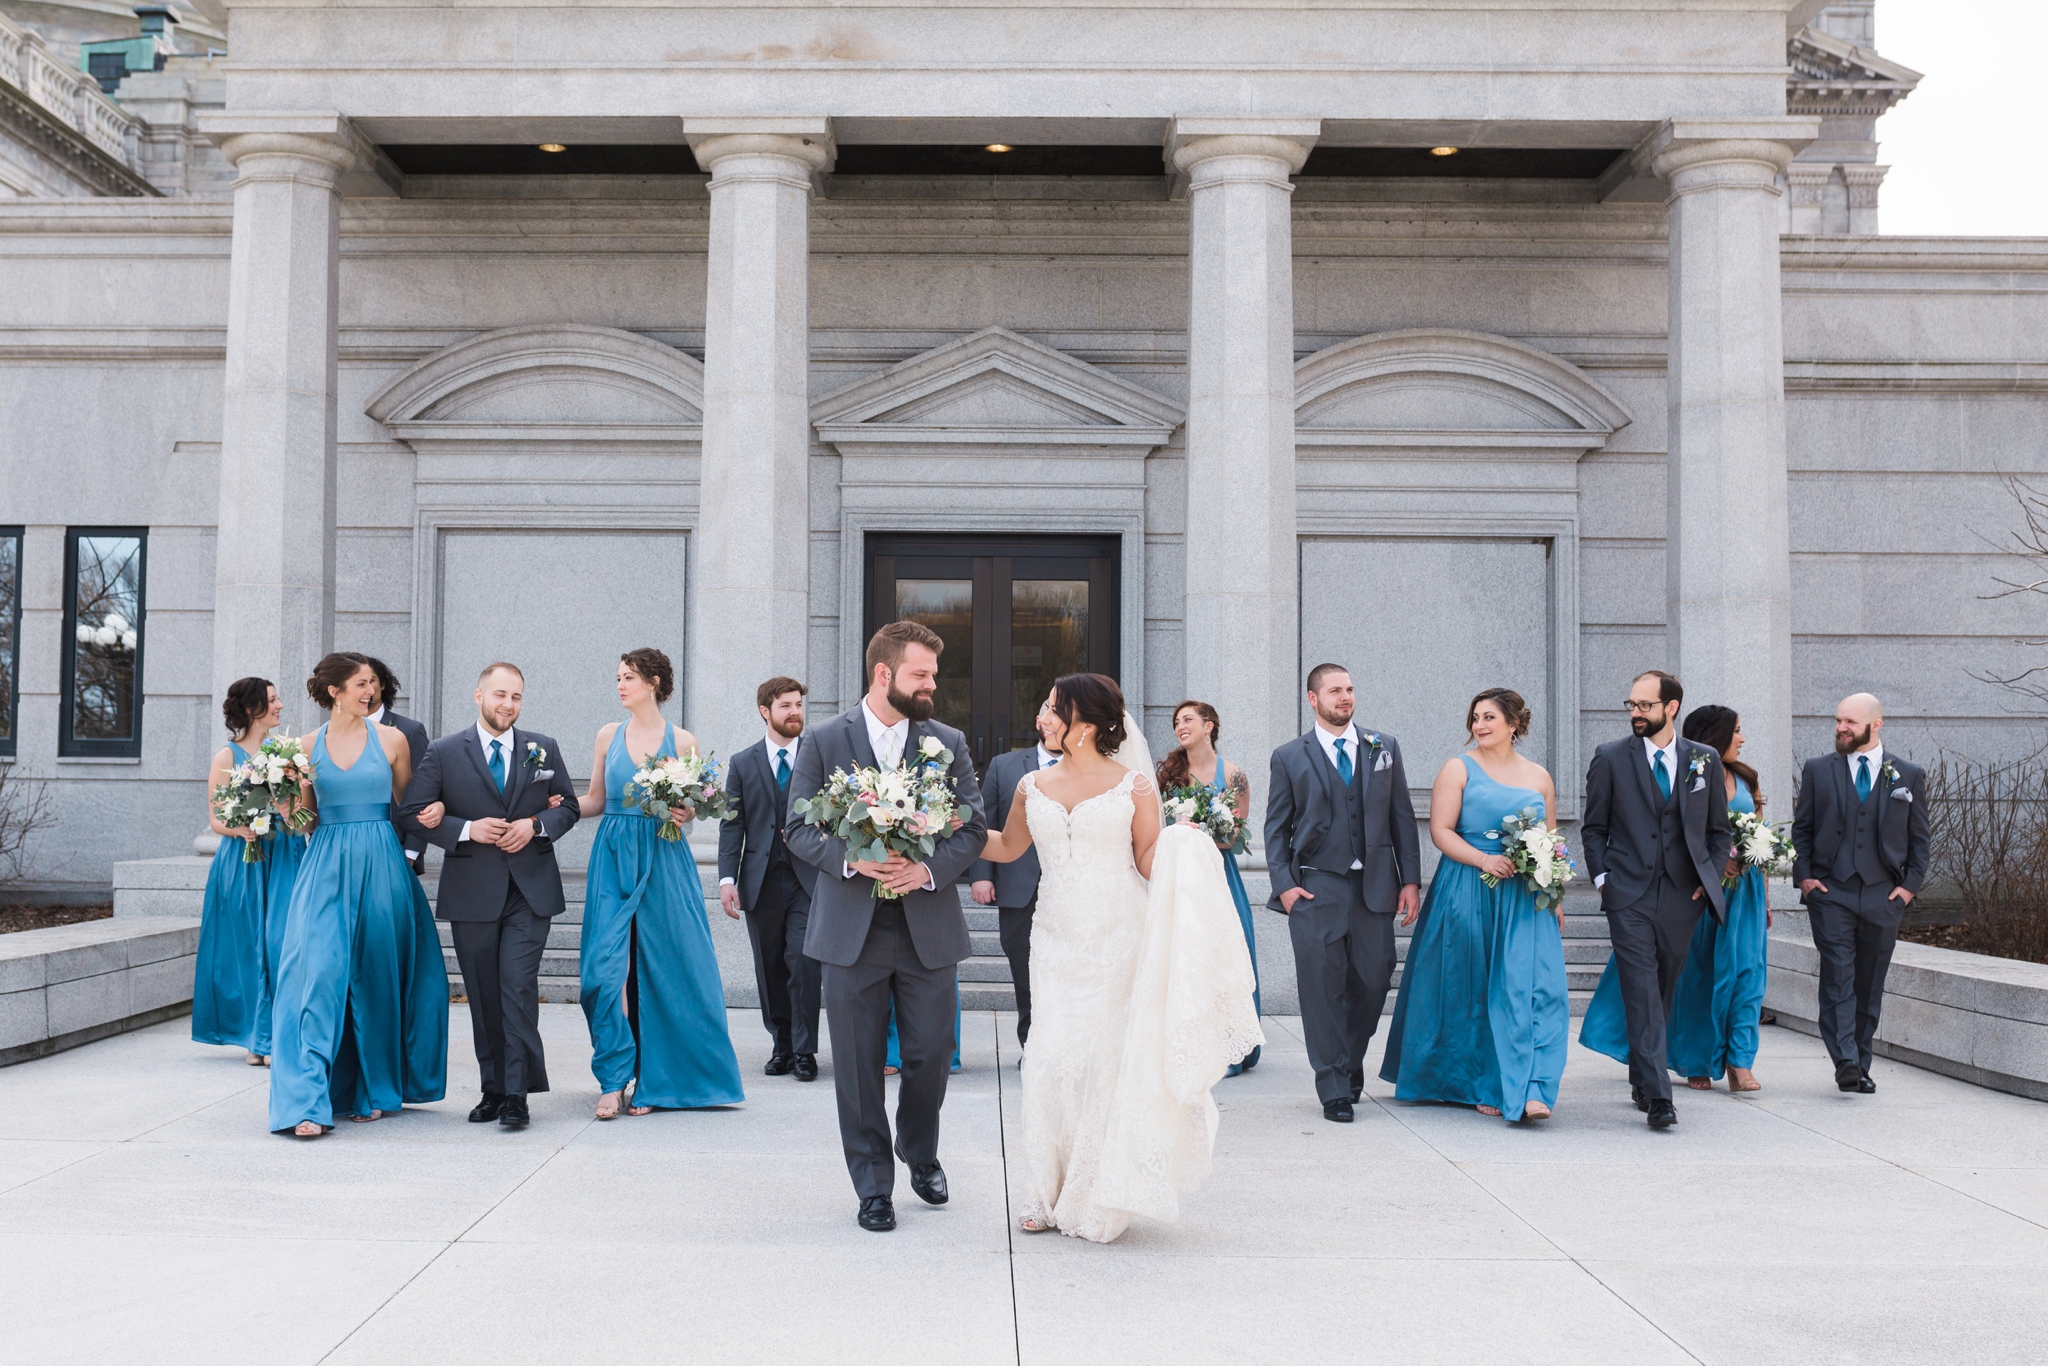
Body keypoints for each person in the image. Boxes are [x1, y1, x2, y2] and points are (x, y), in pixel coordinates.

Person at [979, 672, 1259, 1242]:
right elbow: (1007, 847)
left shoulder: (1134, 785)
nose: (1045, 718)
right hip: (1055, 938)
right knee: (1049, 1057)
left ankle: (1093, 1187)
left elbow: (1148, 859)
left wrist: (1187, 845)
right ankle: (1044, 1188)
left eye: (1054, 709)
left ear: (1084, 720)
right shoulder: (1031, 785)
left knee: (1102, 1059)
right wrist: (938, 829)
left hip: (1117, 936)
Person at [784, 621, 988, 1234]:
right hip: (851, 930)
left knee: (930, 1056)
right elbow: (797, 828)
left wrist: (927, 870)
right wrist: (851, 859)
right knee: (855, 1063)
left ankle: (918, 1149)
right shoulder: (823, 739)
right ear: (884, 674)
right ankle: (873, 1186)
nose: (932, 684)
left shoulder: (946, 741)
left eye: (932, 674)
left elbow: (974, 828)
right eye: (921, 674)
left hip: (927, 926)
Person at [268, 654, 448, 1137]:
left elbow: (411, 808)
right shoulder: (304, 747)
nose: (370, 692)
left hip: (382, 864)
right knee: (317, 975)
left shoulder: (392, 740)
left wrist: (438, 818)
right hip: (325, 865)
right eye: (360, 685)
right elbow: (303, 821)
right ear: (334, 691)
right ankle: (307, 1100)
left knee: (375, 975)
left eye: (372, 684)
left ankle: (372, 1088)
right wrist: (286, 803)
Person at [399, 661, 580, 1130]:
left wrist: (537, 825)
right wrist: (464, 829)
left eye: (517, 697)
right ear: (478, 696)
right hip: (472, 891)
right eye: (500, 695)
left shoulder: (543, 747)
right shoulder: (442, 752)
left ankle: (517, 1095)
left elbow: (570, 805)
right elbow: (411, 813)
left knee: (517, 988)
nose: (509, 705)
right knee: (482, 994)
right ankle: (492, 1089)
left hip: (530, 890)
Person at [1380, 689, 1569, 1121]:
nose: (1479, 725)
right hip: (1468, 886)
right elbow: (1442, 831)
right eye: (1475, 718)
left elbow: (1551, 842)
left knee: (1527, 988)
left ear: (1513, 725)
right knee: (1471, 984)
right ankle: (1477, 1081)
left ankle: (1527, 1082)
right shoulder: (1458, 767)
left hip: (1524, 897)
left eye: (1488, 717)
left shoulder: (1539, 776)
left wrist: (1554, 894)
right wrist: (1484, 858)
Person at [574, 648, 746, 1118]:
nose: (620, 685)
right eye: (617, 677)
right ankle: (613, 1076)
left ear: (652, 682)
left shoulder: (683, 740)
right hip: (613, 856)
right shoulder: (608, 735)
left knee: (670, 967)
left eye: (628, 677)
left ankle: (653, 1079)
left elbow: (691, 809)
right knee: (604, 972)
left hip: (664, 856)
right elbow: (594, 799)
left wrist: (684, 811)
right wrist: (548, 811)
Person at [1581, 705, 1771, 1092]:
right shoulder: (1689, 774)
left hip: (1744, 896)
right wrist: (1715, 867)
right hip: (1696, 890)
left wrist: (1764, 894)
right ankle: (1695, 1058)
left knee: (1748, 974)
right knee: (1697, 978)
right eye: (1737, 730)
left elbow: (1759, 836)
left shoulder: (1747, 780)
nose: (1743, 738)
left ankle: (1740, 1061)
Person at [1264, 664, 1422, 1122]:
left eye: (1350, 689)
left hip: (1375, 888)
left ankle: (1350, 1061)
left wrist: (1409, 880)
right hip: (1316, 887)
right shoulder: (1289, 756)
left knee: (1373, 982)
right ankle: (1333, 1083)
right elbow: (1276, 828)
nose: (1345, 697)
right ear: (1313, 699)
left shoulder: (1383, 747)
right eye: (1335, 690)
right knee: (1321, 988)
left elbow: (1402, 818)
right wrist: (1285, 886)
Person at [1580, 670, 1733, 1130]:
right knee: (1640, 986)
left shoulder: (1703, 759)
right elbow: (1593, 829)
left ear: (1671, 708)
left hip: (1683, 895)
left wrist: (1708, 879)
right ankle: (1661, 1097)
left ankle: (1641, 1076)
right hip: (1628, 892)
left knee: (1663, 987)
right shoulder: (1609, 758)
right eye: (1630, 705)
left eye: (1644, 706)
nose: (1635, 714)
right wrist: (1605, 879)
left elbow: (1719, 832)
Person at [1791, 693, 1930, 1095]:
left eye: (1849, 722)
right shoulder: (1818, 770)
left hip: (1883, 895)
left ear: (1876, 724)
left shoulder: (1908, 774)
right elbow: (1802, 828)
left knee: (1870, 982)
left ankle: (1860, 1063)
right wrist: (1805, 877)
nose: (1841, 728)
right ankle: (1846, 1061)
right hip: (1831, 890)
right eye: (1838, 721)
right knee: (1838, 974)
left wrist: (1908, 889)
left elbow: (1920, 840)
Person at [193, 677, 308, 1065]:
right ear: (250, 708)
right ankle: (259, 1040)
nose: (280, 706)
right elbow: (216, 818)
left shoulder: (287, 754)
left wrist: (287, 812)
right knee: (250, 947)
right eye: (272, 700)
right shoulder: (227, 757)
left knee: (281, 943)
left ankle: (272, 1036)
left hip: (286, 856)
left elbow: (298, 813)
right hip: (245, 859)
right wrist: (243, 825)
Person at [719, 676, 823, 1083]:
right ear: (766, 711)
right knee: (769, 967)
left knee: (803, 962)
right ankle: (781, 1046)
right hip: (759, 880)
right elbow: (733, 825)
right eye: (786, 705)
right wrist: (728, 879)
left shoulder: (818, 757)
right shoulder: (742, 763)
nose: (795, 712)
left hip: (808, 880)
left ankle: (805, 1050)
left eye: (798, 704)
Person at [1158, 699, 1261, 1074]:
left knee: (1227, 950)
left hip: (1219, 873)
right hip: (1179, 874)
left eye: (1188, 720)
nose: (1180, 726)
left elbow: (1235, 832)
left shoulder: (1234, 775)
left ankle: (1233, 1044)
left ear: (1209, 725)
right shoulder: (1169, 774)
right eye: (1175, 722)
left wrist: (1199, 830)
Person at [968, 696, 1062, 1053]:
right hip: (1017, 884)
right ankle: (1032, 1047)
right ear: (1039, 723)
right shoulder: (1004, 765)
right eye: (1050, 716)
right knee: (1024, 971)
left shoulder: (1088, 770)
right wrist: (981, 875)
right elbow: (985, 822)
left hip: (1070, 886)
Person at [349, 654, 429, 874]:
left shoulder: (410, 731)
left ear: (383, 684)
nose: (366, 690)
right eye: (359, 683)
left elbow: (420, 795)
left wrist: (411, 854)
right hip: (346, 849)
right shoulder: (332, 734)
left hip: (395, 849)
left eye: (371, 681)